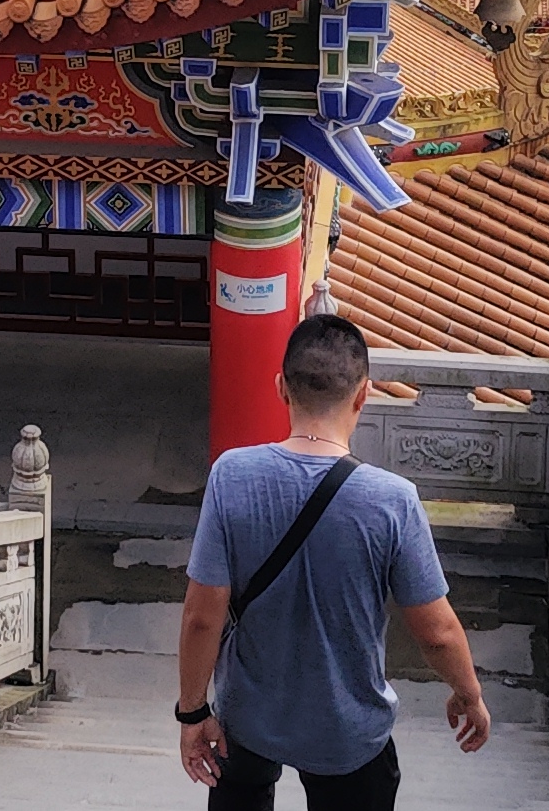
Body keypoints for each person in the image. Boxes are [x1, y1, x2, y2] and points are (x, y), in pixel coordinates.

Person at [176, 315, 488, 811]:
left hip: (247, 721)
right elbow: (437, 632)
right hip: (348, 729)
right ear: (363, 395)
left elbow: (201, 617)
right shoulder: (393, 501)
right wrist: (468, 696)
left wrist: (192, 714)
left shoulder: (231, 476)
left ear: (281, 387)